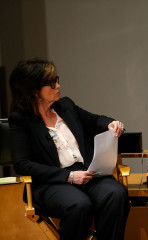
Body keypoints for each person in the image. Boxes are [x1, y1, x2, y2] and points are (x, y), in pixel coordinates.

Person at [8, 58, 129, 240]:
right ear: (33, 90)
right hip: (52, 182)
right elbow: (23, 164)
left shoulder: (66, 106)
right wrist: (68, 177)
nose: (58, 86)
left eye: (57, 79)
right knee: (79, 205)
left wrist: (111, 124)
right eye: (51, 83)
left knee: (116, 193)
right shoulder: (21, 120)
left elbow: (96, 120)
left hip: (86, 174)